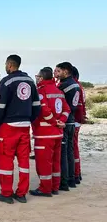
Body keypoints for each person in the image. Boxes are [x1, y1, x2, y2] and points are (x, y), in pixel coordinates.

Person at [0, 55, 41, 204]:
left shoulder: (6, 81)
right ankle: (21, 193)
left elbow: (0, 107)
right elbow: (36, 106)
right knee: (24, 161)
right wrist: (28, 119)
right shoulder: (30, 81)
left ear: (9, 65)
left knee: (6, 160)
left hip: (8, 126)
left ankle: (6, 193)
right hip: (25, 126)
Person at [29, 67, 71, 197]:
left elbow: (44, 110)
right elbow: (66, 109)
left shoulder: (41, 91)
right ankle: (55, 186)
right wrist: (61, 121)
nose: (36, 78)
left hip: (44, 133)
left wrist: (54, 122)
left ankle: (45, 189)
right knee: (55, 162)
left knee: (44, 163)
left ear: (41, 78)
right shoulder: (58, 91)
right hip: (58, 133)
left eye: (38, 76)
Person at [55, 62, 81, 190]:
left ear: (65, 71)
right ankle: (72, 179)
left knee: (63, 152)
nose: (57, 74)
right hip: (72, 120)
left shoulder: (64, 85)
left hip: (65, 121)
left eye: (59, 71)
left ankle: (64, 181)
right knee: (70, 151)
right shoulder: (76, 84)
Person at [72, 66, 86, 184]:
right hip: (78, 120)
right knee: (74, 147)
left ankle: (76, 173)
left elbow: (79, 105)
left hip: (75, 120)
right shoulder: (79, 85)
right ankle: (77, 173)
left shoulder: (75, 86)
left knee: (73, 147)